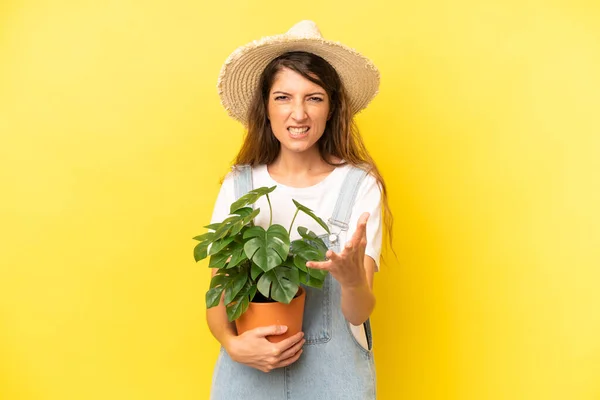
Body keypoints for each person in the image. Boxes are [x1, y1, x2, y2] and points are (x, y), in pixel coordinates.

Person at [206, 20, 392, 399]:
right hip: (247, 378)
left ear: (331, 108)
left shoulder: (358, 185)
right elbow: (217, 296)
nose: (299, 114)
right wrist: (232, 343)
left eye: (314, 97)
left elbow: (358, 313)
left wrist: (352, 278)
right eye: (283, 97)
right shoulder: (239, 185)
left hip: (335, 383)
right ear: (266, 108)